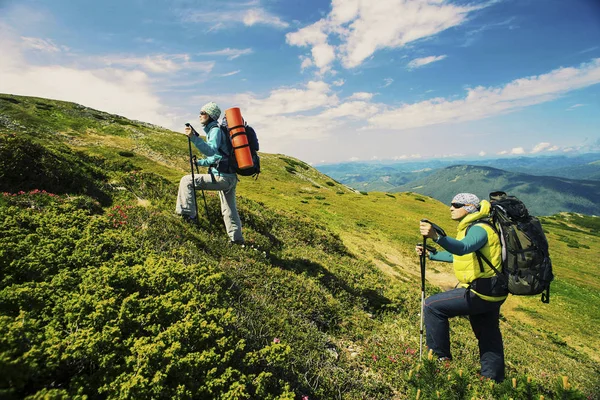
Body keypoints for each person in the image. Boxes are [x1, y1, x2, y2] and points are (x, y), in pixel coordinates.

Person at [416, 193, 507, 382]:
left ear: (469, 207)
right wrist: (431, 255)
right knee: (488, 335)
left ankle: (440, 361)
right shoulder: (475, 227)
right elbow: (461, 256)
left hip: (481, 292)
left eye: (456, 205)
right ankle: (493, 381)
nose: (451, 208)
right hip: (494, 291)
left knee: (432, 306)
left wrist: (435, 236)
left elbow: (463, 248)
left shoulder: (479, 229)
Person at [175, 102, 244, 245]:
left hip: (222, 177)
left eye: (203, 113)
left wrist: (194, 137)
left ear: (211, 116)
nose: (200, 115)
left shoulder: (215, 131)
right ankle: (237, 240)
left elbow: (211, 150)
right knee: (229, 209)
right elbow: (217, 157)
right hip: (230, 178)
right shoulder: (219, 131)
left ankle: (188, 216)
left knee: (186, 181)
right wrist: (200, 163)